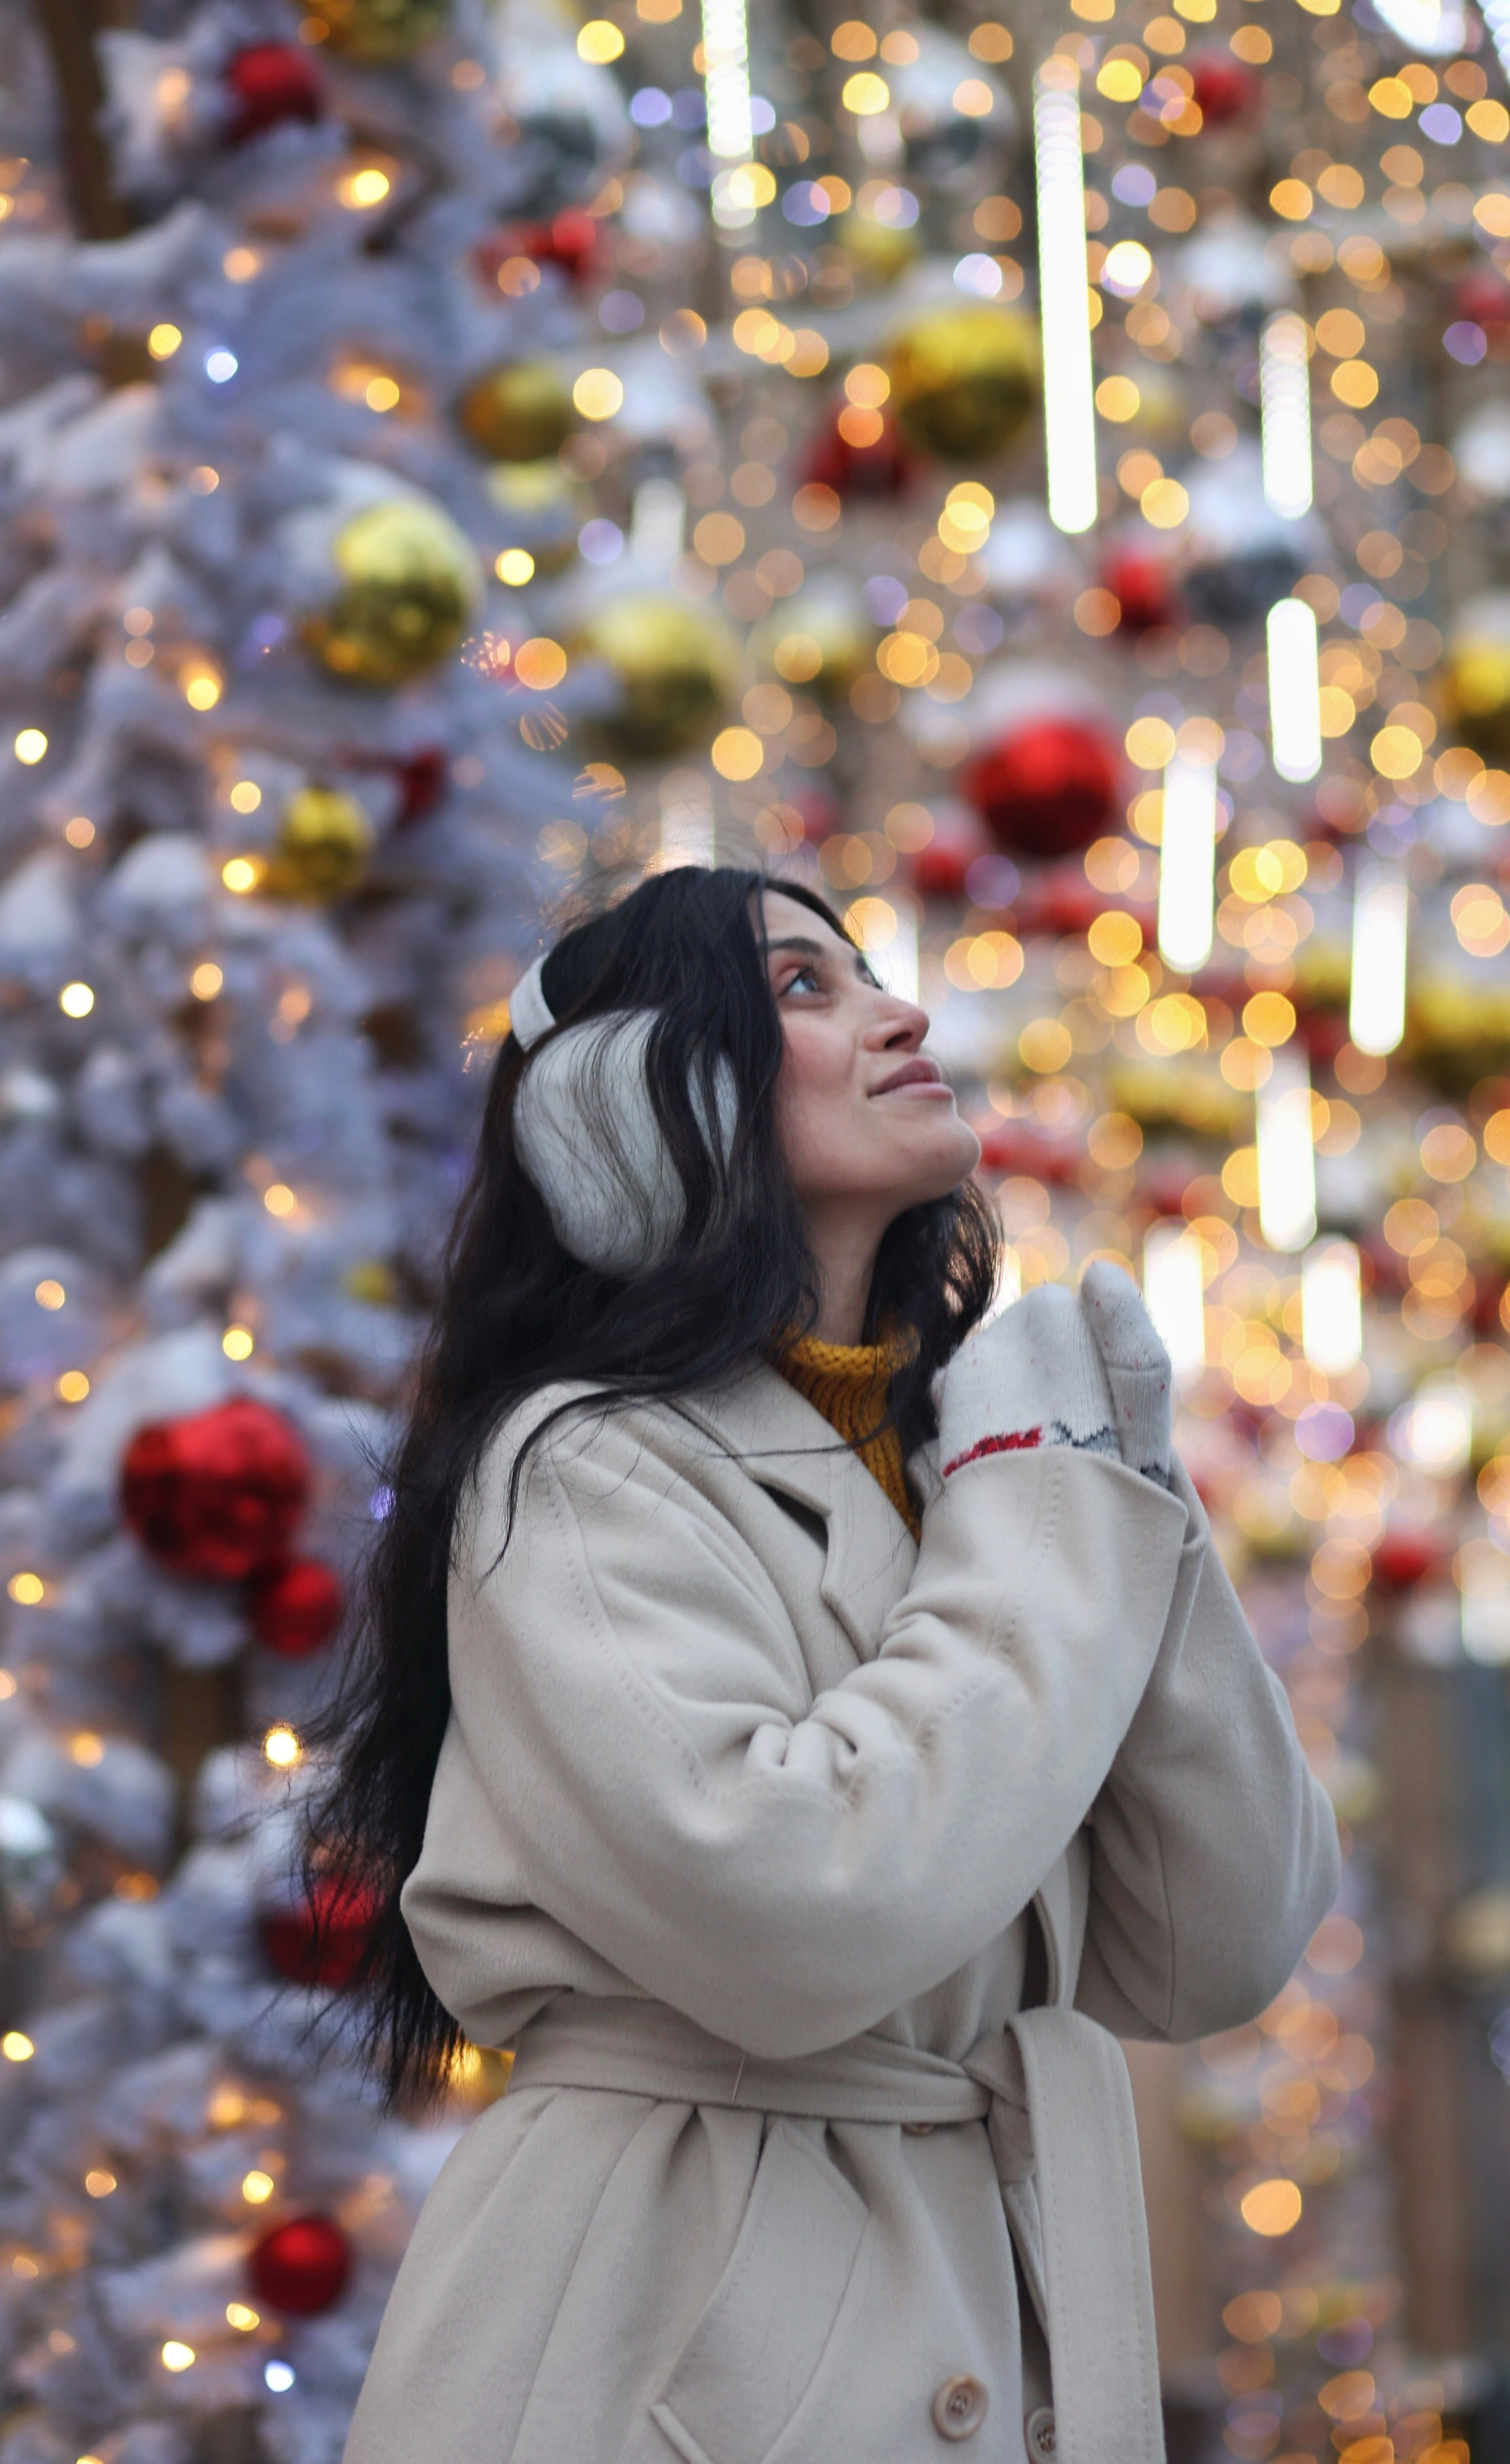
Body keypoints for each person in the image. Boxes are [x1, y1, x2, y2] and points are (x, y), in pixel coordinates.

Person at [328, 863, 1339, 2464]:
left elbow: (1215, 1937)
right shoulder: (575, 1465)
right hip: (660, 2324)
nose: (900, 1009)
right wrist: (1035, 1509)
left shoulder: (979, 1467)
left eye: (864, 970)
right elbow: (797, 1907)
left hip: (972, 2279)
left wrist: (1115, 1488)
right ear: (628, 1105)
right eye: (802, 986)